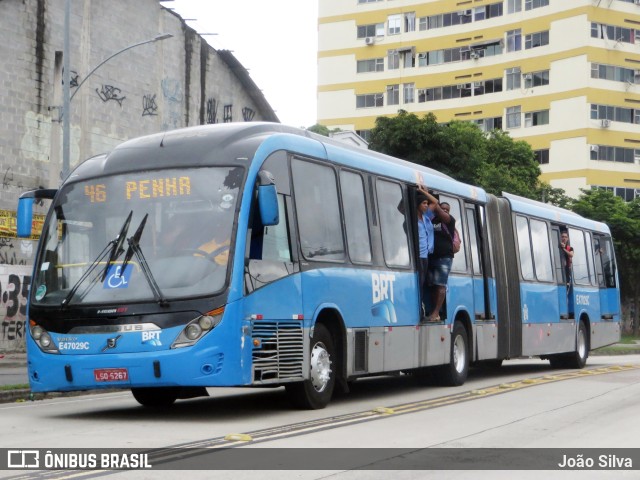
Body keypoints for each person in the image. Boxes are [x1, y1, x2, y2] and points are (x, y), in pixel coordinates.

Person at [427, 201, 455, 322]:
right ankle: (433, 310)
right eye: (442, 208)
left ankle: (436, 312)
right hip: (431, 257)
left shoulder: (449, 221)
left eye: (446, 210)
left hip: (445, 257)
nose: (444, 211)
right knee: (432, 285)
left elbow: (441, 212)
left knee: (440, 285)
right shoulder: (431, 220)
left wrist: (434, 202)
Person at [416, 185, 437, 319]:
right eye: (423, 203)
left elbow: (435, 202)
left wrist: (424, 192)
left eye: (426, 204)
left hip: (426, 255)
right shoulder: (413, 218)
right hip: (418, 255)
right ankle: (419, 309)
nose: (426, 205)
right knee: (419, 282)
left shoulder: (427, 217)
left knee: (423, 283)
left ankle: (421, 307)